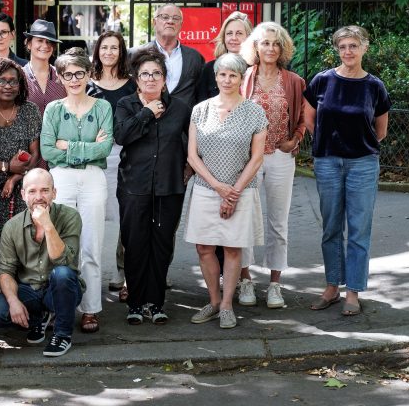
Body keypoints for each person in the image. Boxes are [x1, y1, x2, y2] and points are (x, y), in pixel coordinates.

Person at [304, 25, 391, 316]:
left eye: (353, 45)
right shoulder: (322, 81)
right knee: (330, 228)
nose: (348, 51)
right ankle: (332, 286)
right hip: (328, 162)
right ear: (337, 50)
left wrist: (356, 146)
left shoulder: (374, 86)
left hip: (363, 164)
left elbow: (380, 130)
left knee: (358, 230)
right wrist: (331, 145)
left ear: (365, 48)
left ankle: (352, 290)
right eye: (342, 47)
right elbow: (310, 122)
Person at [185, 53, 267, 329]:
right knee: (204, 247)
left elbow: (256, 158)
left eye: (233, 75)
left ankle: (228, 305)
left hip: (241, 190)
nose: (227, 79)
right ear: (216, 76)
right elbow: (193, 156)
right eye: (222, 74)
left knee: (233, 248)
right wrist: (219, 187)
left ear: (241, 78)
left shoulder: (255, 112)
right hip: (207, 188)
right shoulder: (201, 109)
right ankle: (214, 300)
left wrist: (233, 192)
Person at [114, 50, 190, 325]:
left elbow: (191, 143)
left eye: (156, 73)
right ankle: (135, 302)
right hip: (134, 185)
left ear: (164, 78)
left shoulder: (180, 107)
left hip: (169, 185)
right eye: (144, 73)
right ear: (136, 78)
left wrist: (189, 168)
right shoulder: (126, 104)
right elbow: (122, 136)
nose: (150, 78)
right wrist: (146, 112)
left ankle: (155, 303)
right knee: (135, 244)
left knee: (162, 244)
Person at [40, 48, 113, 334]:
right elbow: (47, 149)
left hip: (94, 179)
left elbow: (105, 149)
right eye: (68, 74)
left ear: (88, 74)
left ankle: (90, 309)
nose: (74, 79)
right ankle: (59, 306)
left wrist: (67, 146)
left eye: (79, 73)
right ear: (60, 77)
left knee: (91, 246)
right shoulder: (54, 109)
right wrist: (86, 149)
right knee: (59, 245)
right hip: (61, 180)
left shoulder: (102, 107)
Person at [238, 22, 306, 309]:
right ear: (255, 46)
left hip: (279, 156)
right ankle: (245, 280)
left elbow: (302, 116)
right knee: (244, 219)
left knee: (278, 221)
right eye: (264, 43)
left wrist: (296, 139)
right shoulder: (243, 78)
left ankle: (275, 283)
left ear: (282, 49)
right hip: (248, 158)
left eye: (275, 44)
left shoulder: (293, 81)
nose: (270, 48)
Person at [0, 169, 84, 357]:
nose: (39, 197)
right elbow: (5, 271)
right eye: (32, 191)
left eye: (45, 190)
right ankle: (38, 319)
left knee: (62, 274)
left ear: (54, 193)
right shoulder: (11, 226)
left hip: (60, 290)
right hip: (29, 289)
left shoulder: (70, 216)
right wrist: (13, 301)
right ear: (23, 195)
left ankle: (62, 334)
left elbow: (63, 260)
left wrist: (47, 225)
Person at [0, 58, 42, 312]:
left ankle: (18, 302)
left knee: (20, 245)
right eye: (1, 81)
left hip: (22, 190)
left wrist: (15, 177)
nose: (7, 86)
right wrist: (6, 167)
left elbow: (34, 154)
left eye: (13, 81)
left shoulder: (29, 111)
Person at [86, 30, 136, 300]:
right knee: (95, 216)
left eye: (114, 48)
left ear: (121, 52)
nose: (108, 53)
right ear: (97, 51)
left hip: (125, 156)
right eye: (104, 48)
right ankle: (90, 275)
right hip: (96, 158)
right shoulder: (87, 84)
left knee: (125, 216)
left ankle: (125, 273)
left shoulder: (131, 85)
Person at [129, 3, 205, 108]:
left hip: (185, 121)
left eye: (176, 18)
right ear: (154, 22)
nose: (170, 21)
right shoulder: (135, 54)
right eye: (165, 17)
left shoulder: (194, 57)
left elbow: (200, 94)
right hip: (147, 118)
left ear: (181, 25)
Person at [196, 11, 253, 102]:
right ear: (224, 37)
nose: (233, 38)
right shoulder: (209, 69)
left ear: (248, 37)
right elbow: (201, 103)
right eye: (229, 33)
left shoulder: (255, 69)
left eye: (239, 33)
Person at [21, 19, 66, 116]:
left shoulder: (62, 76)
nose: (45, 45)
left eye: (49, 42)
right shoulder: (19, 76)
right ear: (29, 44)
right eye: (40, 40)